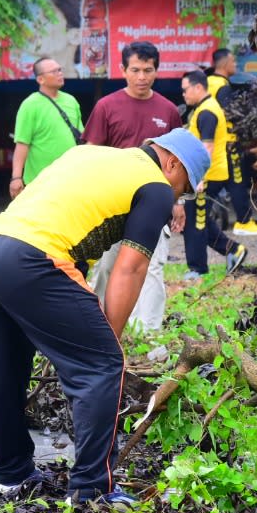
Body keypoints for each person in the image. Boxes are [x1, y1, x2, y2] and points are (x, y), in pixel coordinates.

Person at [0, 128, 209, 507]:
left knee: (6, 365)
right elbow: (130, 269)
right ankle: (92, 489)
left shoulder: (91, 154)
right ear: (172, 163)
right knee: (103, 365)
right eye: (185, 188)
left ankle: (9, 474)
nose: (179, 196)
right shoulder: (156, 186)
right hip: (30, 257)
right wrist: (106, 344)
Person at [82, 41, 185, 331]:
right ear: (123, 70)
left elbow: (177, 162)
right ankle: (97, 326)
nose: (142, 77)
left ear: (156, 71)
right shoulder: (106, 106)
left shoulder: (167, 111)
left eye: (148, 70)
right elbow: (91, 153)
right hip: (114, 202)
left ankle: (149, 333)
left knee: (152, 267)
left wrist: (177, 202)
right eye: (136, 70)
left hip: (155, 202)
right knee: (106, 266)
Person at [180, 69, 247, 277]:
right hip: (208, 175)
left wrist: (198, 178)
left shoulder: (207, 111)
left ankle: (197, 269)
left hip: (207, 177)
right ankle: (234, 250)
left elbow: (206, 148)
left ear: (198, 87)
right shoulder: (204, 109)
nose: (183, 95)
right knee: (199, 221)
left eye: (185, 90)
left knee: (195, 224)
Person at [9, 56, 83, 198]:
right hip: (39, 182)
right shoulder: (30, 105)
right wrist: (16, 178)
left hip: (71, 179)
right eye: (54, 71)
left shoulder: (71, 100)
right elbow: (22, 143)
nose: (60, 73)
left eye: (60, 70)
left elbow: (82, 137)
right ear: (40, 79)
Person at [206, 48, 257, 236]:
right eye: (234, 62)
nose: (235, 66)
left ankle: (198, 215)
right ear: (225, 64)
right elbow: (231, 114)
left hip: (212, 141)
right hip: (228, 142)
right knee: (238, 181)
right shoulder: (223, 87)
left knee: (218, 182)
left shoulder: (207, 84)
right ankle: (244, 223)